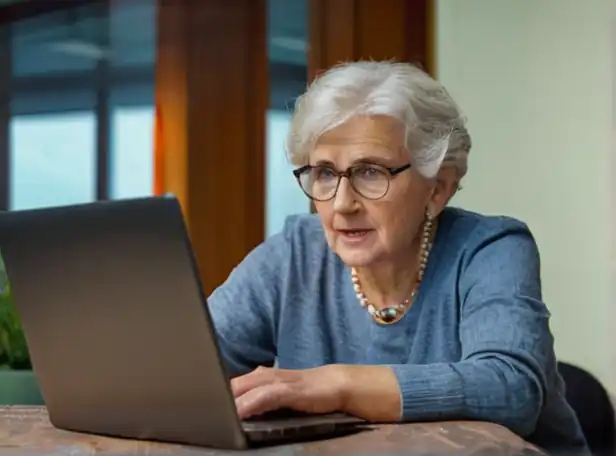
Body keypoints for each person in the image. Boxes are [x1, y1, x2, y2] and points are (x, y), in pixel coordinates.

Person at [208, 61, 589, 454]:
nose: (342, 204)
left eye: (370, 172)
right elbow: (184, 371)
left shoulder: (490, 249)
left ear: (438, 188)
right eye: (324, 172)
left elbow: (510, 390)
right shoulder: (293, 255)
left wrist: (335, 385)